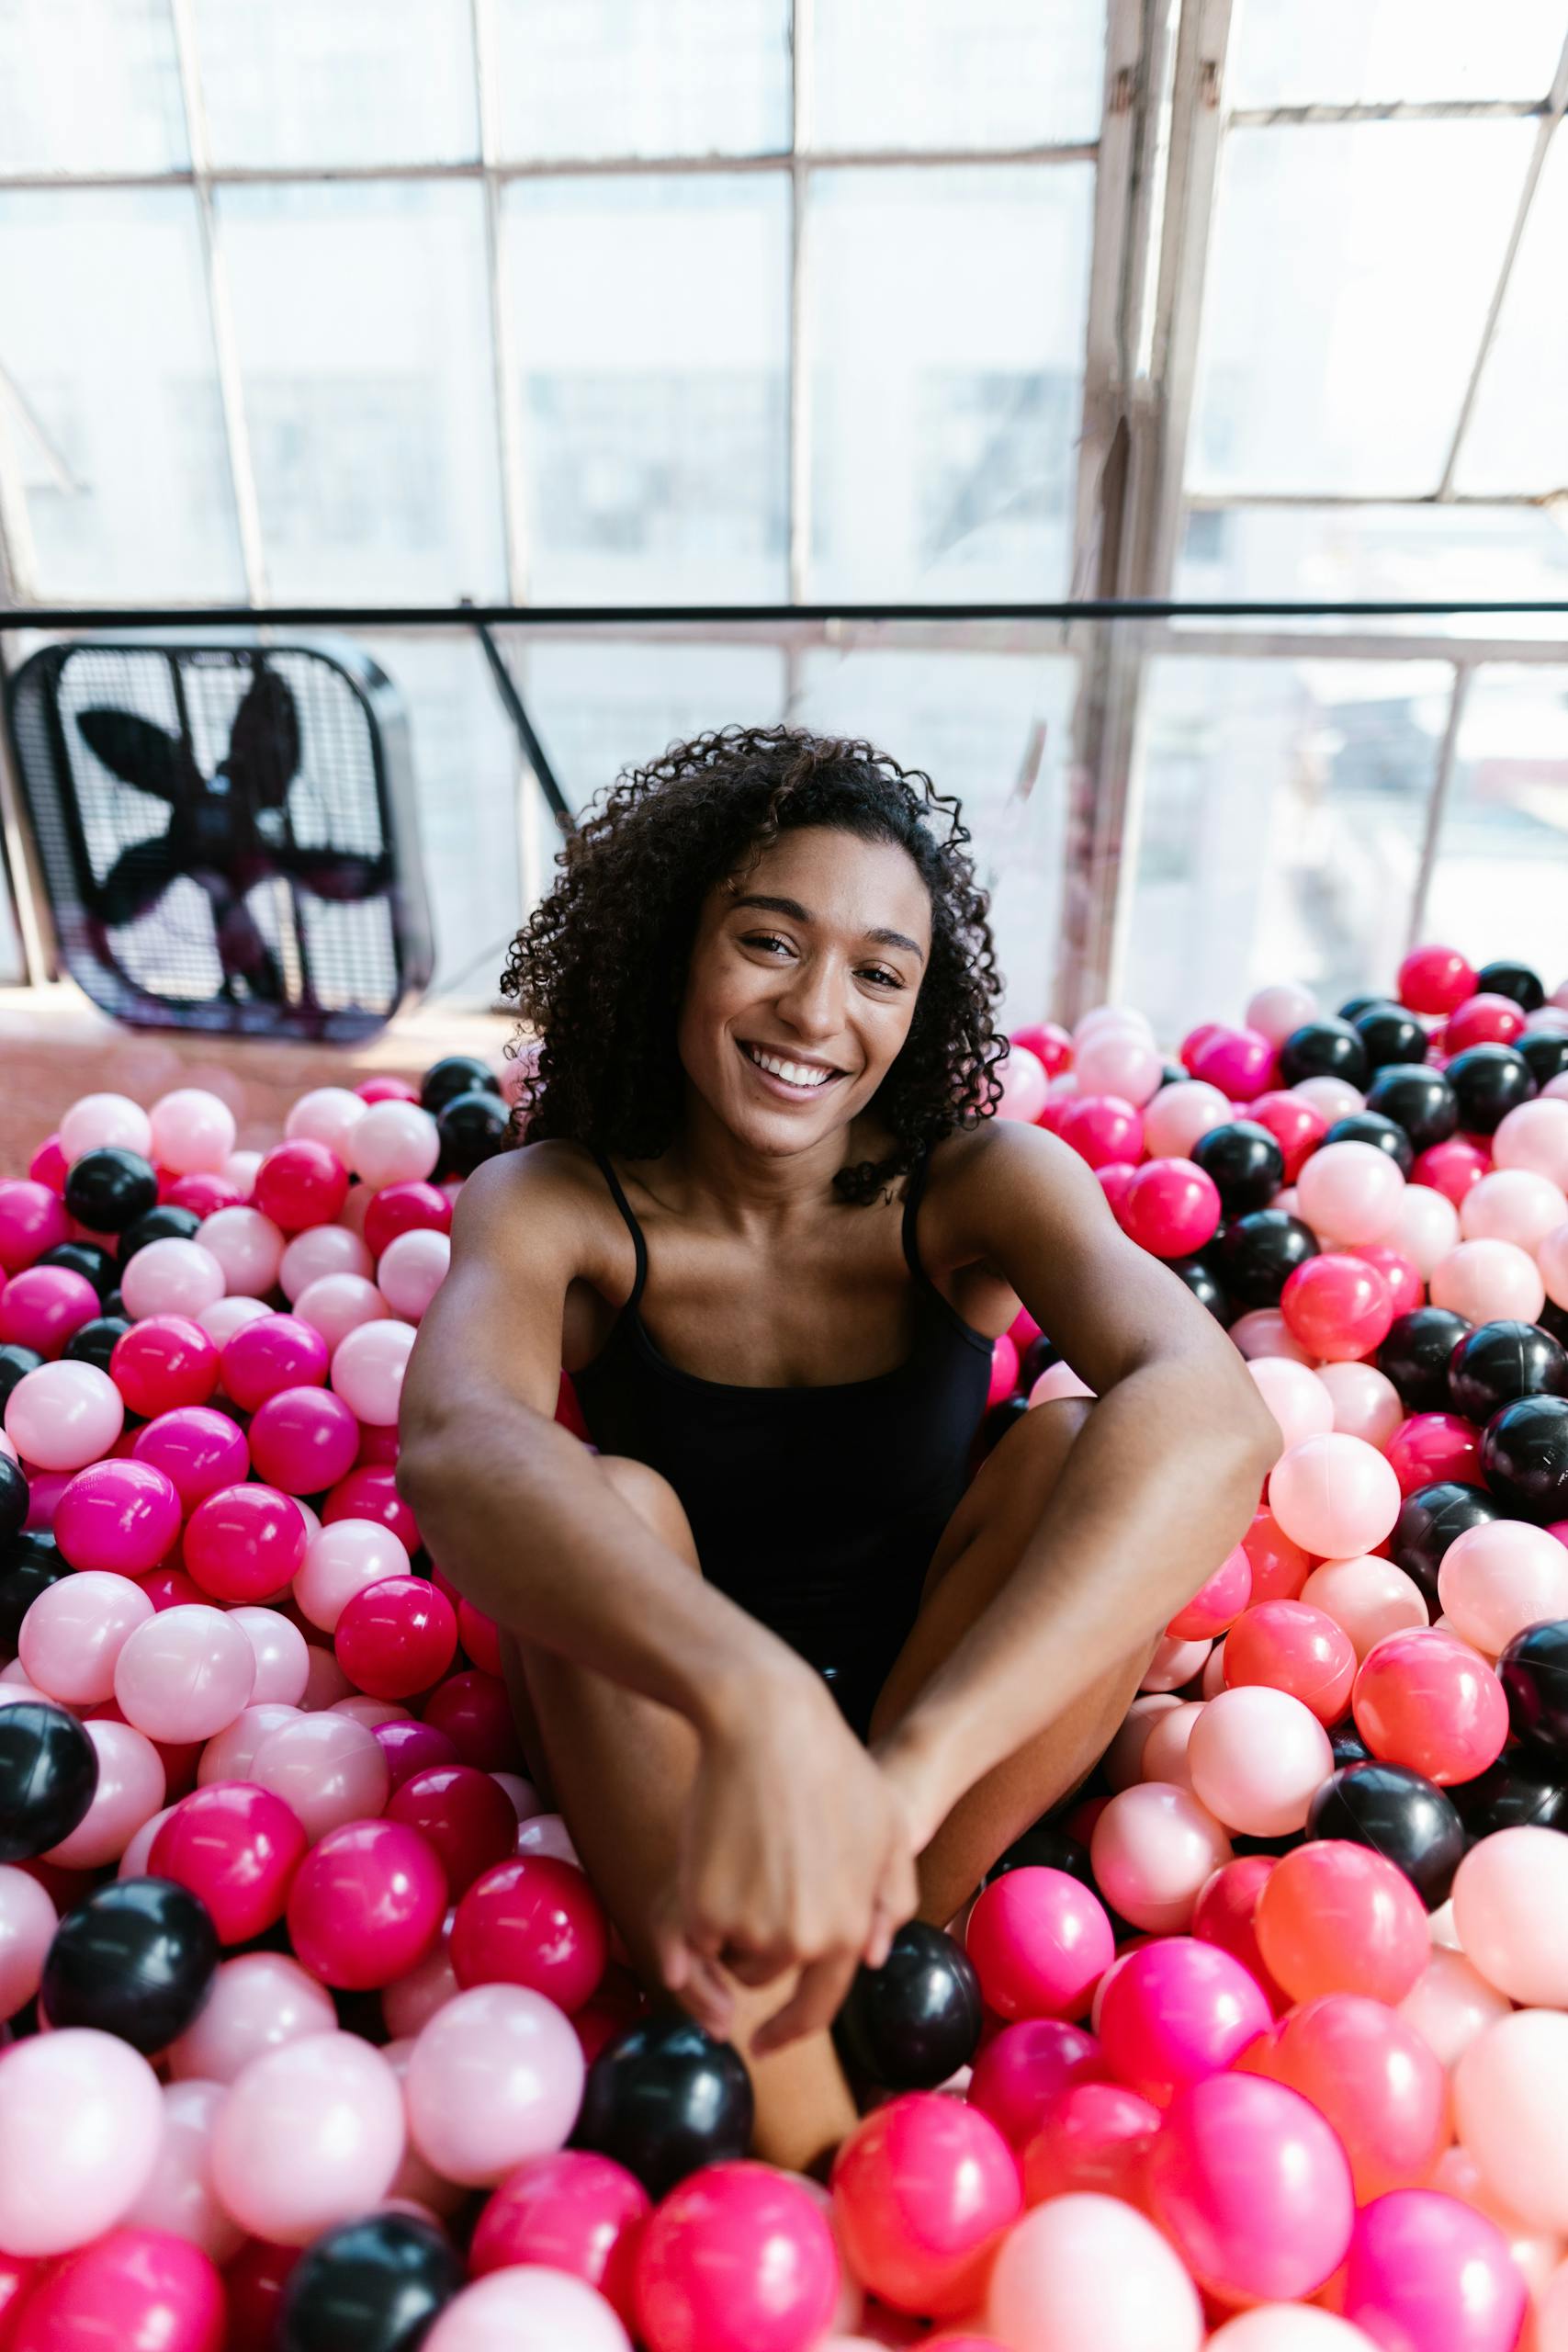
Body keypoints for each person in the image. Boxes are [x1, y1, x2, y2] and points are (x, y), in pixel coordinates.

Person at [398, 725, 1276, 2171]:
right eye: (767, 942)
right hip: (676, 1739)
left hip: (935, 1747)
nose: (816, 1013)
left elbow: (1216, 1413)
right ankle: (809, 2147)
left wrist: (900, 1773)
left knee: (1069, 1450)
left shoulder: (980, 1181)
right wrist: (752, 1701)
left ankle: (871, 1939)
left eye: (879, 972)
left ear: (920, 1011)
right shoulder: (554, 1200)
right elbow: (456, 1444)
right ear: (675, 947)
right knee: (605, 1495)